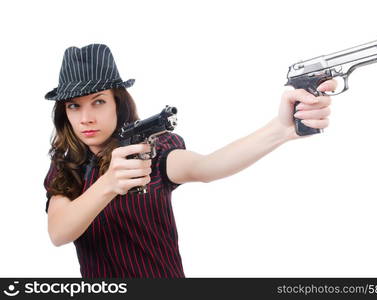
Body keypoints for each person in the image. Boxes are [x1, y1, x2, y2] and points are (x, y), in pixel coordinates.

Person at [44, 43, 337, 278]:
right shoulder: (67, 166)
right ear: (64, 112)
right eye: (74, 106)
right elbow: (58, 232)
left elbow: (207, 167)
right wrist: (107, 184)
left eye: (98, 101)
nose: (86, 118)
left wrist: (281, 129)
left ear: (117, 103)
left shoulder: (152, 150)